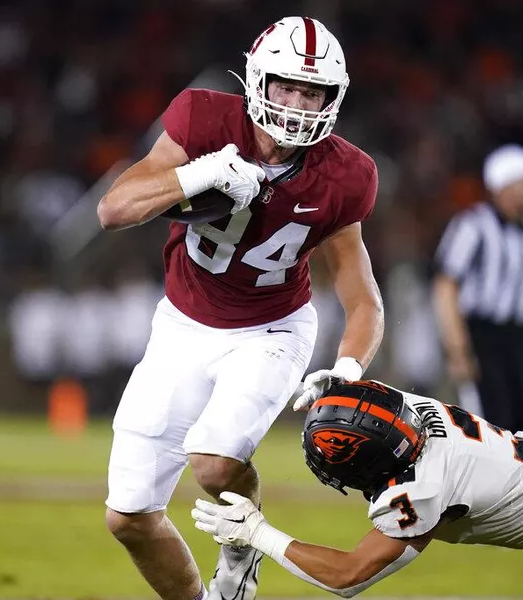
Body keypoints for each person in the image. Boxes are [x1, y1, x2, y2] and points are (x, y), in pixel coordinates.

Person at [96, 16, 384, 600]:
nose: (299, 104)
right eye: (287, 87)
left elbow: (363, 298)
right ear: (257, 81)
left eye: (313, 92)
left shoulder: (346, 173)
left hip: (271, 329)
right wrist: (198, 172)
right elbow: (113, 209)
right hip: (181, 324)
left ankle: (240, 549)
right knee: (127, 516)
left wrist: (349, 369)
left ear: (333, 98)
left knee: (213, 462)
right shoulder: (203, 121)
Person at [192, 380, 523, 599]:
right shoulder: (413, 408)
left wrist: (259, 533)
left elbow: (348, 577)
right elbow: (375, 397)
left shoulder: (424, 488)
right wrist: (336, 387)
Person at [433, 144, 523, 432]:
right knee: (491, 425)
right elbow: (445, 286)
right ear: (504, 185)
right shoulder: (472, 226)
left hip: (521, 334)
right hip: (483, 333)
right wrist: (458, 348)